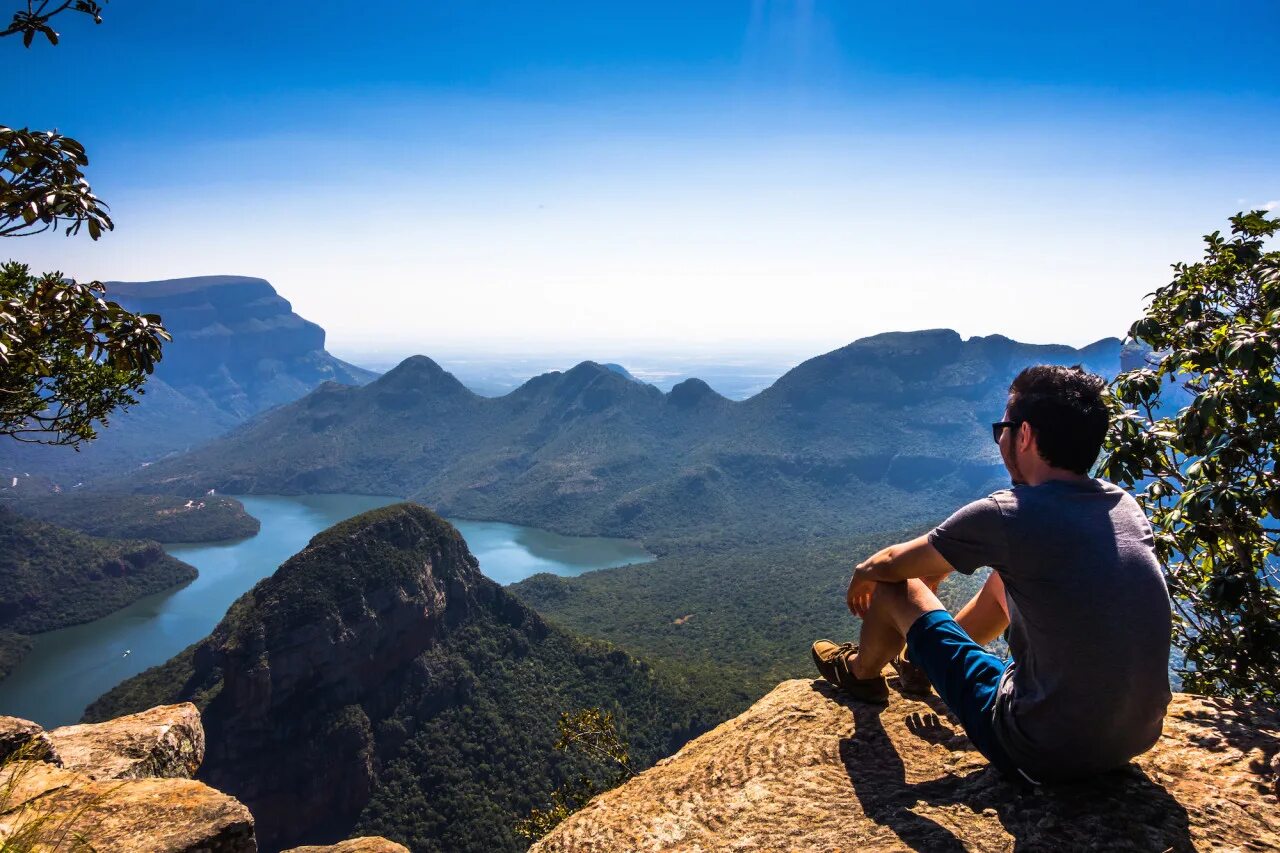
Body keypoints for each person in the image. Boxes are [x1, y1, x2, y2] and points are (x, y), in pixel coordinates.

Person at [811, 365, 1172, 784]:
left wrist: (863, 572)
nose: (1000, 438)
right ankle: (921, 667)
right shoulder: (1121, 504)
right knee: (1007, 577)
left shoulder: (1008, 515)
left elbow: (892, 564)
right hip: (1133, 738)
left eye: (1003, 427)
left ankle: (860, 675)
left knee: (896, 588)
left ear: (1024, 436)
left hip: (1036, 749)